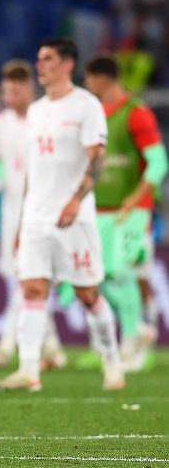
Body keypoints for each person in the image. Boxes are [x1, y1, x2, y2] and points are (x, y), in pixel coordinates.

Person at [0, 38, 124, 392]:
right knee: (33, 289)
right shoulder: (36, 111)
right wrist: (22, 220)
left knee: (88, 294)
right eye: (39, 58)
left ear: (68, 64)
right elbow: (33, 172)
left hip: (74, 218)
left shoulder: (86, 106)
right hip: (37, 217)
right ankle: (30, 371)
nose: (41, 65)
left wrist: (76, 200)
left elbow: (97, 156)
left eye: (48, 59)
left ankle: (111, 360)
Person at [0, 60, 66, 369]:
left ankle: (7, 347)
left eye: (16, 90)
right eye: (6, 90)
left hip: (42, 213)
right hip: (12, 216)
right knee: (28, 281)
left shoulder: (45, 119)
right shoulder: (0, 124)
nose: (10, 95)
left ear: (29, 89)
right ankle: (54, 349)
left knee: (28, 280)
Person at [83, 54, 167, 372]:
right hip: (100, 209)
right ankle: (141, 332)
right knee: (97, 277)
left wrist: (136, 197)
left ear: (103, 79)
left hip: (133, 211)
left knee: (126, 271)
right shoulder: (97, 115)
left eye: (90, 79)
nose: (87, 85)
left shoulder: (137, 114)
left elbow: (159, 163)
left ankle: (134, 340)